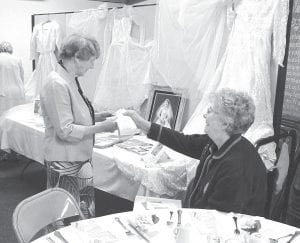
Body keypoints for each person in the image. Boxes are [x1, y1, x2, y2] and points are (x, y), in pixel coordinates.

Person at [124, 88, 267, 216]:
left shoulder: (236, 166)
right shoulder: (217, 143)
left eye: (211, 111)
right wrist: (141, 123)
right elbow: (183, 141)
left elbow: (218, 219)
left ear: (225, 123)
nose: (205, 115)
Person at [40, 34, 117, 218]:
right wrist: (102, 127)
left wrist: (97, 117)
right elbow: (66, 130)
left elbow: (74, 115)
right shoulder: (56, 83)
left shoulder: (68, 78)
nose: (92, 66)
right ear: (76, 57)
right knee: (65, 215)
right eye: (91, 61)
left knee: (82, 211)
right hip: (65, 159)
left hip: (77, 157)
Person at [0, 41, 25, 116]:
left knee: (2, 118)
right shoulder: (17, 59)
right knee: (15, 117)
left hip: (2, 92)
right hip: (16, 91)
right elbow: (21, 77)